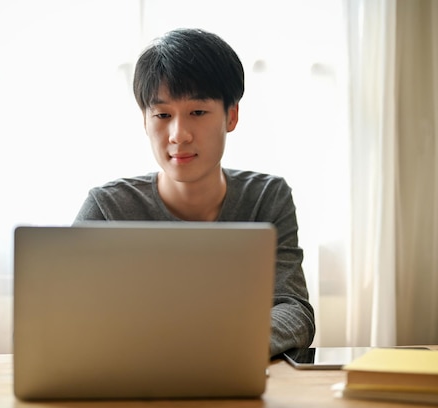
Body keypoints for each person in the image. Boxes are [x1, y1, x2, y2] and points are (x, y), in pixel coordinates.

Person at [75, 28, 315, 357]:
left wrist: (219, 345)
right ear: (145, 121)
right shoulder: (107, 207)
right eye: (162, 115)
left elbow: (294, 310)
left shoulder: (267, 198)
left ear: (231, 116)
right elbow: (66, 315)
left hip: (233, 377)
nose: (179, 135)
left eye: (198, 113)